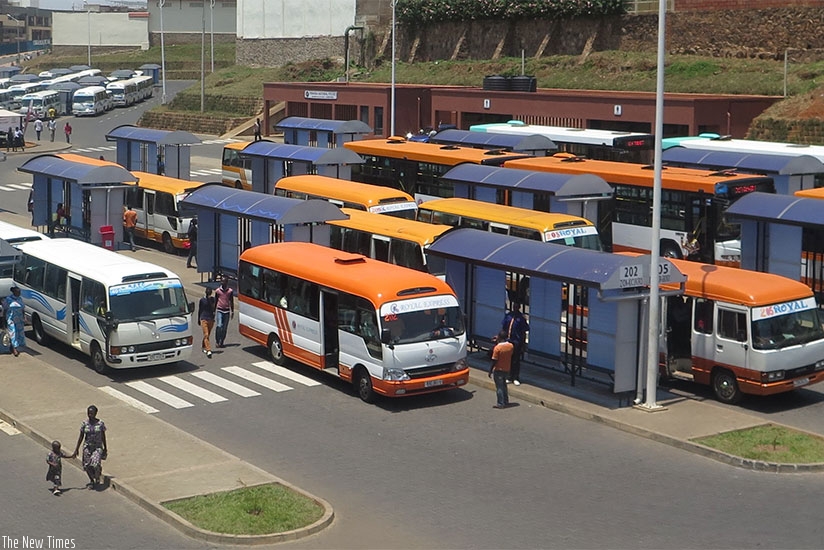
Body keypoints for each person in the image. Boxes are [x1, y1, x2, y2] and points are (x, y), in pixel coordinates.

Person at [71, 405, 107, 489]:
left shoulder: (100, 424)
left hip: (97, 447)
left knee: (95, 464)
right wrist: (76, 449)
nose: (90, 415)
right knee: (87, 465)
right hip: (87, 446)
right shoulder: (84, 424)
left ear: (95, 413)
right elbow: (81, 437)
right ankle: (91, 480)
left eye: (92, 413)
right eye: (89, 413)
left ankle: (97, 476)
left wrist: (105, 448)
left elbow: (103, 436)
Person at [501, 303, 529, 386]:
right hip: (508, 340)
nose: (515, 308)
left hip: (516, 341)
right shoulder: (509, 315)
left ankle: (516, 377)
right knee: (508, 359)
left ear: (519, 307)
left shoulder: (521, 318)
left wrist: (523, 344)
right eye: (514, 306)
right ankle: (509, 376)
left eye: (517, 307)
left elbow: (524, 330)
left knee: (516, 360)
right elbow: (504, 327)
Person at [488, 329, 514, 409]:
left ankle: (500, 403)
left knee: (499, 387)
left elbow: (494, 360)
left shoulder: (497, 348)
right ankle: (506, 401)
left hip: (498, 369)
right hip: (507, 368)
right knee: (504, 385)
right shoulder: (511, 346)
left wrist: (490, 370)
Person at [214, 276, 234, 348]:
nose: (223, 283)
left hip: (227, 311)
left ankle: (221, 341)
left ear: (227, 282)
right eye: (222, 281)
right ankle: (217, 340)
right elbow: (215, 301)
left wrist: (232, 311)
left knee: (224, 328)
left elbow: (231, 301)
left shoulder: (230, 291)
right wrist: (213, 311)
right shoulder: (218, 291)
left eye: (224, 281)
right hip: (219, 310)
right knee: (219, 326)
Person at [4, 286, 25, 357]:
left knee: (19, 334)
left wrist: (24, 317)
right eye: (18, 292)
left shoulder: (20, 299)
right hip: (11, 318)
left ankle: (12, 346)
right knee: (13, 333)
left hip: (19, 320)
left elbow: (22, 309)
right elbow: (5, 309)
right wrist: (4, 320)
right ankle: (14, 349)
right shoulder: (8, 299)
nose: (19, 293)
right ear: (14, 292)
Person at [198, 287, 216, 358]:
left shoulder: (213, 299)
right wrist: (198, 319)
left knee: (208, 335)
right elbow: (200, 310)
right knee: (206, 334)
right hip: (204, 318)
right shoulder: (202, 300)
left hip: (210, 319)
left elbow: (213, 308)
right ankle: (208, 350)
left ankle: (203, 346)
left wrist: (211, 301)